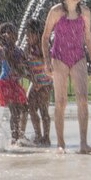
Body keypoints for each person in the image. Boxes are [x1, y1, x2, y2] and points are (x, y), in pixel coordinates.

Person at [42, 0, 91, 154]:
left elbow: (88, 39)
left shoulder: (85, 12)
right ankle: (61, 144)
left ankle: (83, 144)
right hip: (59, 58)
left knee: (83, 100)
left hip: (78, 57)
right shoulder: (56, 11)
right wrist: (46, 61)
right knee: (61, 102)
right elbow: (45, 37)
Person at [0, 22, 29, 146]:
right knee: (14, 111)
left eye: (13, 33)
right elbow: (10, 61)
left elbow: (24, 65)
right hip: (6, 82)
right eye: (8, 33)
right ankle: (14, 138)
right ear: (4, 36)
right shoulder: (3, 49)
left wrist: (26, 68)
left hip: (14, 82)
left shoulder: (19, 50)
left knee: (24, 108)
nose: (11, 35)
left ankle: (19, 134)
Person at [24, 18, 53, 147]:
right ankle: (38, 135)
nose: (27, 37)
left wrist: (42, 81)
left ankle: (46, 137)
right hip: (35, 81)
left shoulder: (43, 46)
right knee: (30, 107)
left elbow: (49, 64)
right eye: (26, 35)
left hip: (45, 82)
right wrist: (33, 79)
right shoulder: (28, 48)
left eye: (29, 35)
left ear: (36, 34)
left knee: (43, 109)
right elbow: (27, 66)